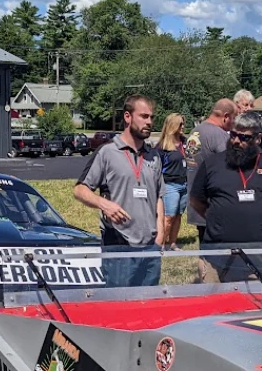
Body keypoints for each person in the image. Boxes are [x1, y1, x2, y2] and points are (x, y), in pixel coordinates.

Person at [189, 112, 262, 283]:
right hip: (217, 260)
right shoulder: (213, 164)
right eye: (233, 135)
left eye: (243, 137)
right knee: (215, 307)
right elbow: (196, 200)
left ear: (258, 138)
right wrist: (217, 218)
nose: (236, 141)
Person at [73, 94, 165, 287]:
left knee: (148, 307)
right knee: (120, 307)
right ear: (127, 117)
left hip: (150, 248)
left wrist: (160, 236)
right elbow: (80, 189)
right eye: (144, 116)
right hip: (119, 245)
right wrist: (103, 204)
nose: (149, 122)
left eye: (151, 117)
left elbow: (159, 196)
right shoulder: (108, 152)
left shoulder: (154, 156)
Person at [184, 99, 236, 243]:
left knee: (205, 251)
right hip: (215, 205)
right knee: (219, 256)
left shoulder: (195, 132)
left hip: (197, 202)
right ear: (226, 116)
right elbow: (231, 166)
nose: (234, 123)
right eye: (234, 118)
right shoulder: (219, 135)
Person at [156, 113, 188, 250]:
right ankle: (161, 244)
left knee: (178, 215)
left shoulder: (185, 142)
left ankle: (172, 243)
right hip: (169, 185)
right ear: (172, 125)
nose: (183, 126)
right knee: (169, 217)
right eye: (180, 124)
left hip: (184, 183)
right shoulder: (162, 147)